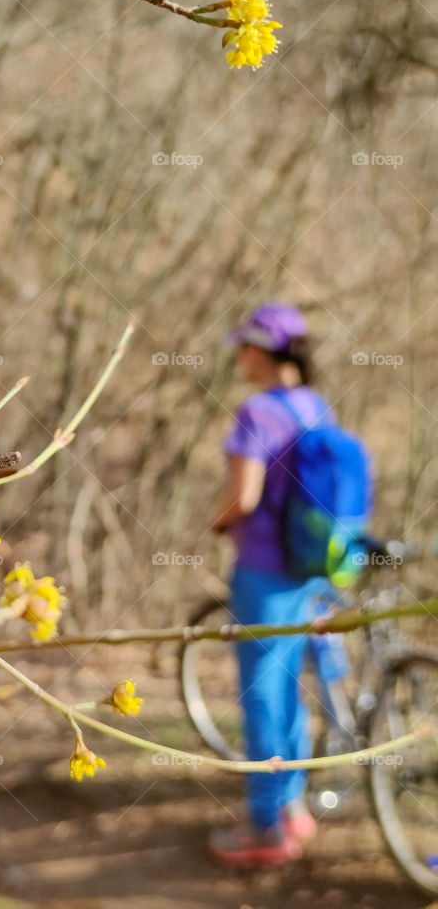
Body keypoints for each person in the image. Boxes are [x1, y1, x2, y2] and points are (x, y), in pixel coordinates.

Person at [207, 302, 331, 868]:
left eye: (244, 347)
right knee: (291, 692)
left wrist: (216, 522)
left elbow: (245, 498)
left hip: (262, 572)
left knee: (260, 697)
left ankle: (264, 829)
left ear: (261, 350)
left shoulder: (257, 413)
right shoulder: (317, 406)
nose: (239, 358)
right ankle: (294, 809)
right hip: (311, 570)